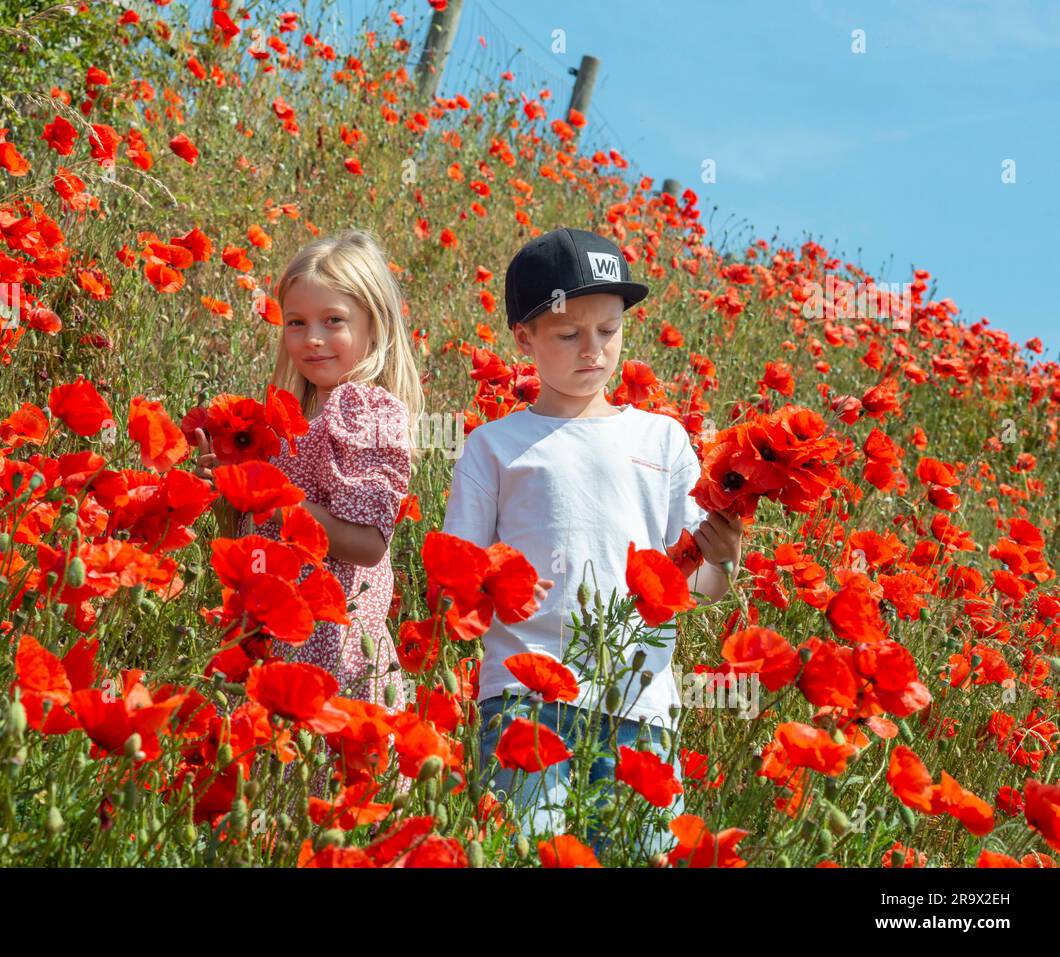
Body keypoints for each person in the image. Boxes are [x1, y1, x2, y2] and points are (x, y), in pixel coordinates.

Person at [441, 227, 743, 861]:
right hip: (525, 698)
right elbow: (457, 574)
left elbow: (697, 588)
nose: (593, 350)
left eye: (608, 332)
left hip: (639, 704)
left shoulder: (662, 441)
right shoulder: (493, 448)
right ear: (524, 338)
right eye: (568, 334)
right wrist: (503, 585)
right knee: (531, 855)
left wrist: (722, 555)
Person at [189, 229, 424, 789]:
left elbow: (369, 543)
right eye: (296, 322)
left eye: (333, 321)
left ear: (375, 325)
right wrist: (225, 490)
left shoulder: (361, 408)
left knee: (319, 812)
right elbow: (259, 529)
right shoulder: (302, 414)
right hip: (277, 637)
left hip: (333, 653)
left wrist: (267, 492)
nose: (312, 338)